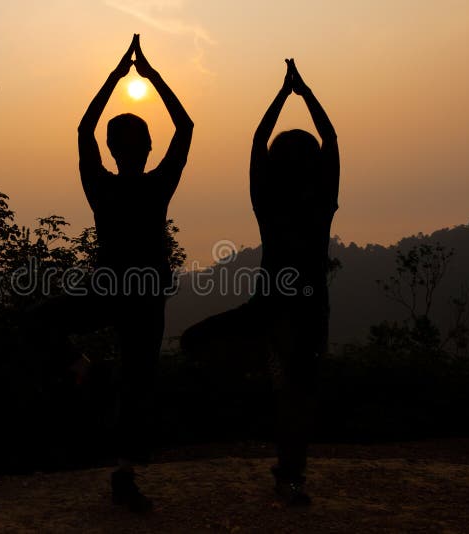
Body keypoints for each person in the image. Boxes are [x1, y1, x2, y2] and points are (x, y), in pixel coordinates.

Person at [181, 58, 338, 505]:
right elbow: (330, 139)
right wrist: (303, 93)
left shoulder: (269, 202)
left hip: (271, 309)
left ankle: (284, 461)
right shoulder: (321, 204)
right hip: (305, 310)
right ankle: (290, 474)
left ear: (275, 166)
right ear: (312, 166)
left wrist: (282, 95)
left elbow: (257, 141)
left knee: (196, 343)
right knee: (298, 396)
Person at [73, 33, 193, 512]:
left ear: (113, 148)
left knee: (43, 321)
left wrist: (116, 77)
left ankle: (85, 371)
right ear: (146, 146)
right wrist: (151, 76)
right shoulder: (157, 184)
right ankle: (123, 470)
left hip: (113, 288)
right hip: (142, 294)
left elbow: (84, 130)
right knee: (138, 379)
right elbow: (184, 126)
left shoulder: (100, 184)